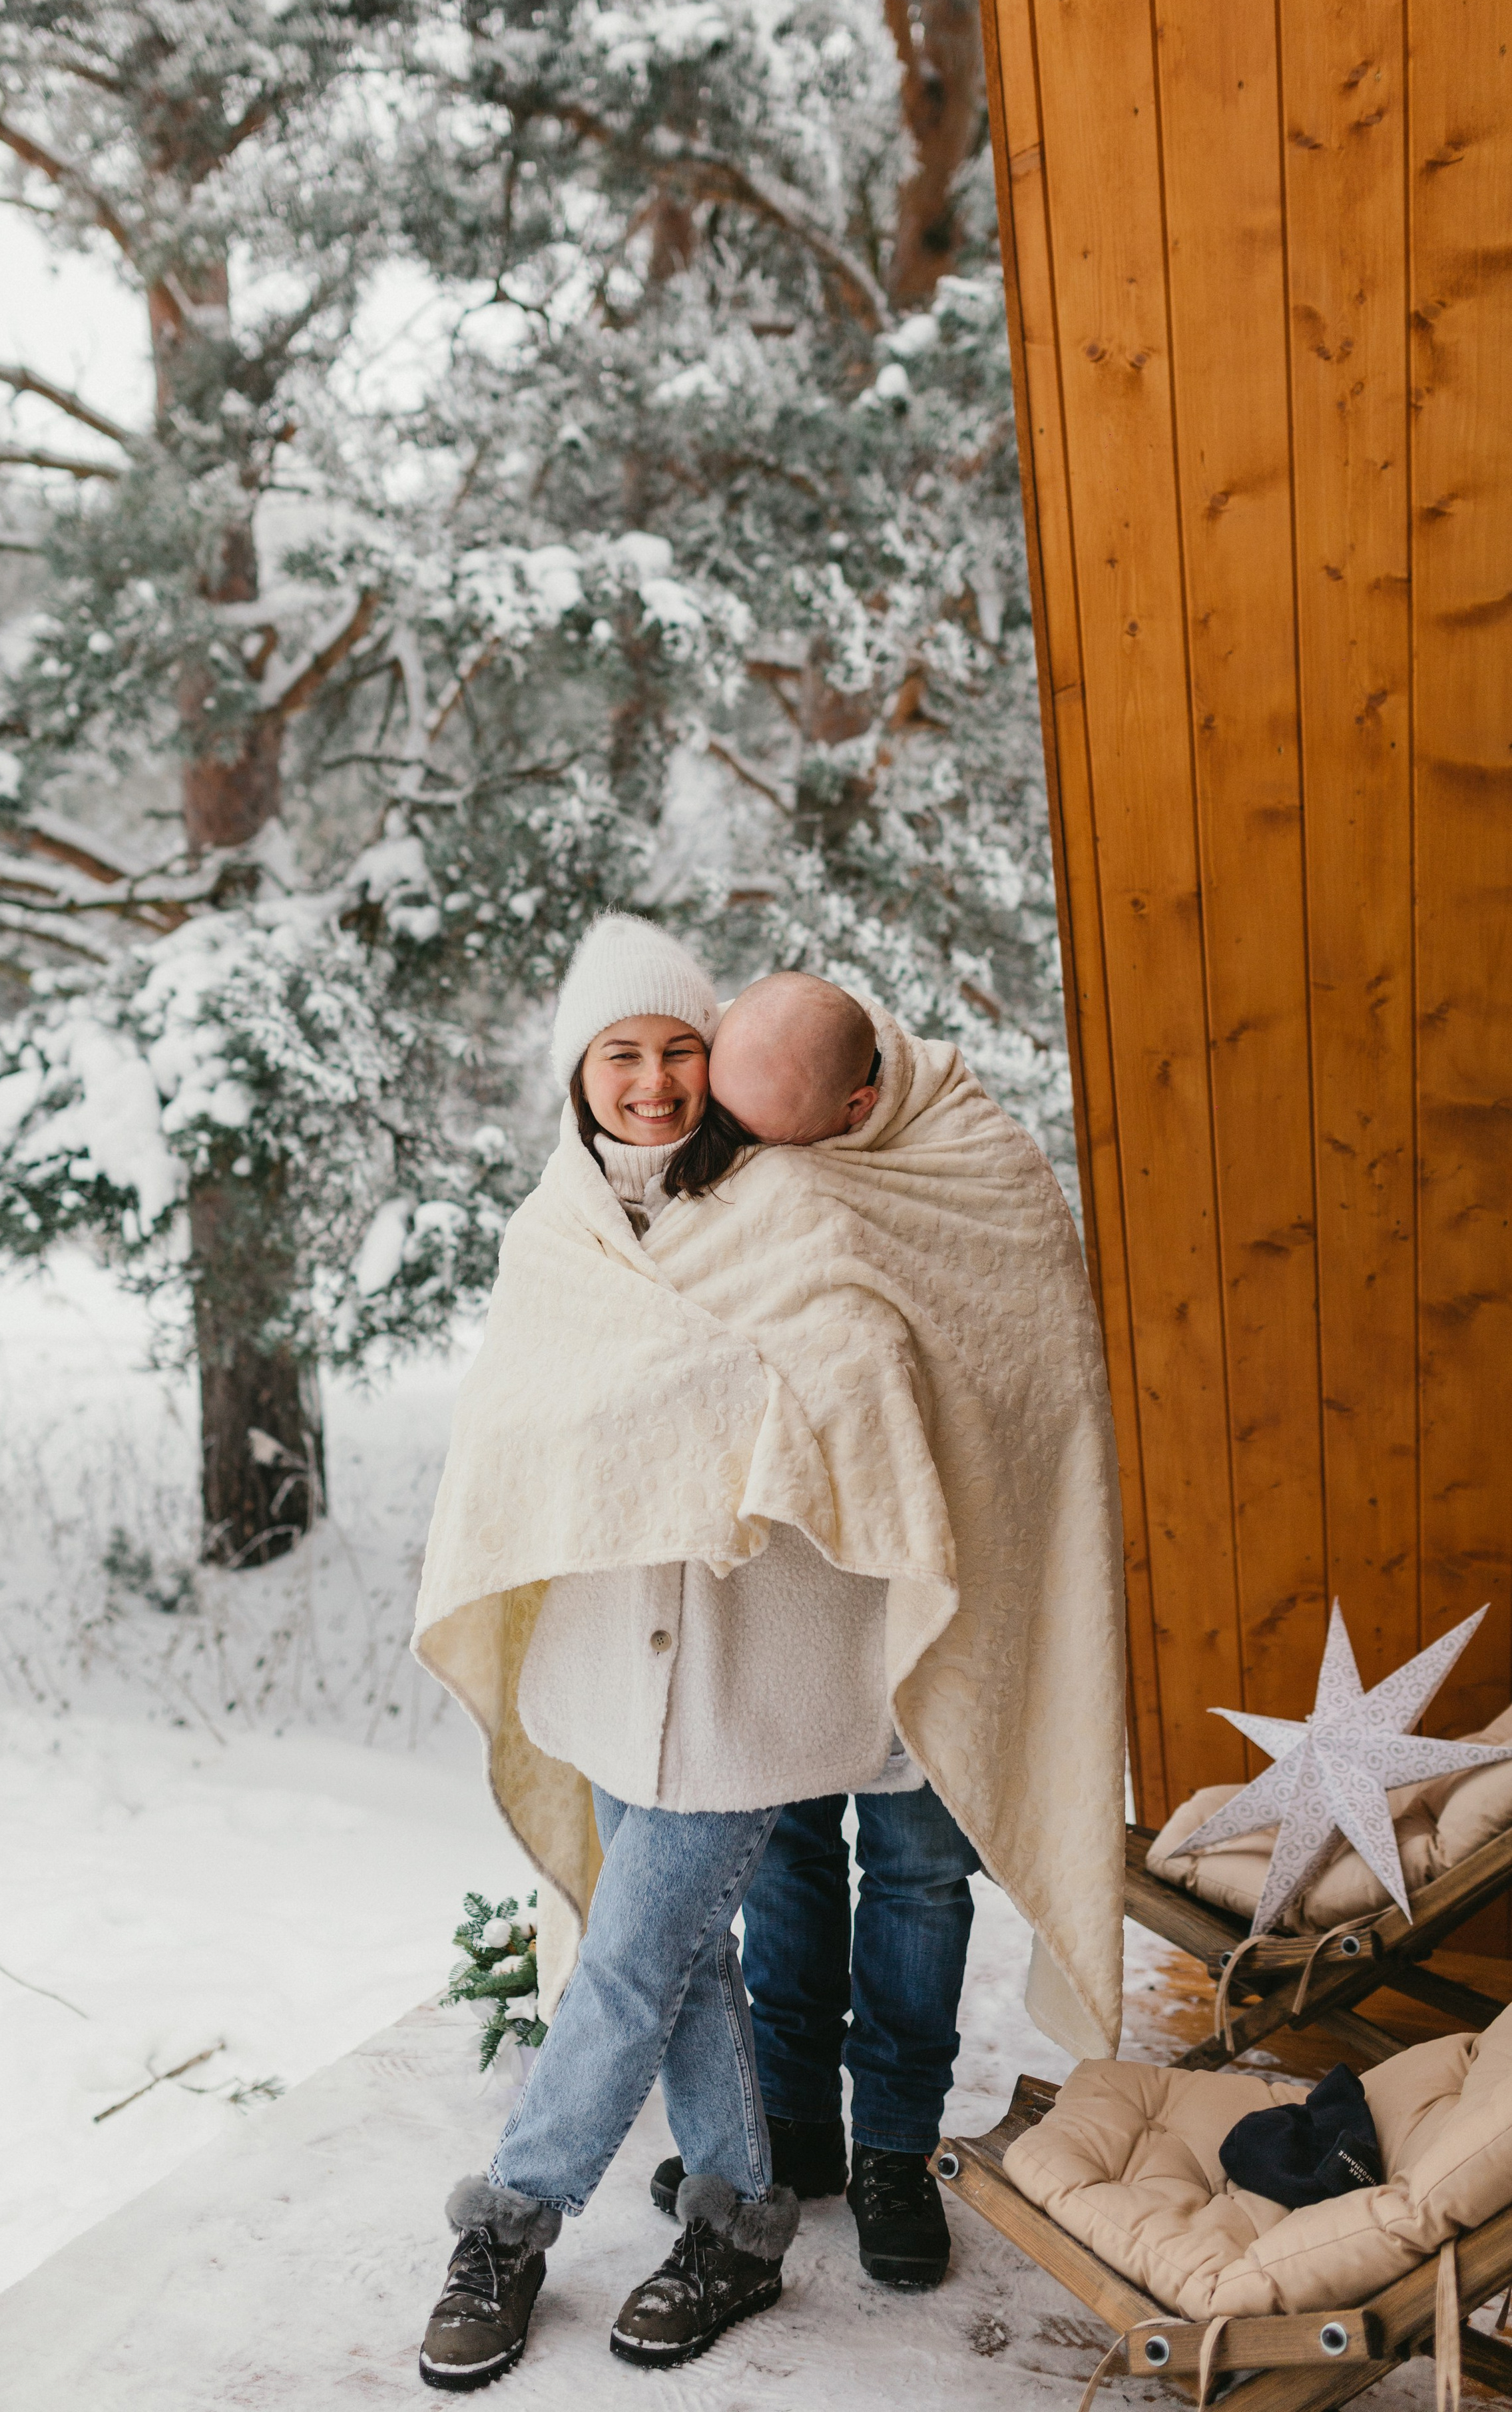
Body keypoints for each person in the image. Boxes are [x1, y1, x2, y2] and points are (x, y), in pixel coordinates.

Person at [413, 916, 1126, 2390]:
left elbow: (860, 1371)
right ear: (576, 1069)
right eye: (622, 1055)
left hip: (766, 1667)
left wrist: (743, 1416)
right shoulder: (560, 1222)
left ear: (735, 1071)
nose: (660, 1086)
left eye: (682, 1054)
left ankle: (514, 2216)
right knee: (686, 1967)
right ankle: (748, 2210)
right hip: (614, 1664)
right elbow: (526, 1433)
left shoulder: (793, 1184)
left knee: (636, 1961)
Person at [646, 972, 979, 2288]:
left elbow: (1013, 1355)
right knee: (782, 1850)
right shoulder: (707, 1141)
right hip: (781, 1574)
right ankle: (791, 2122)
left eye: (788, 1141)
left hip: (924, 1579)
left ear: (859, 1100)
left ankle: (894, 2145)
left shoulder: (955, 1158)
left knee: (916, 1868)